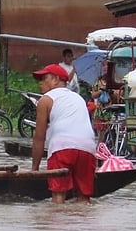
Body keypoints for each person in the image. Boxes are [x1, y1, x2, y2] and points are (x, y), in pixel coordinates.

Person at [30, 63, 97, 203]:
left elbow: (39, 138)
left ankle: (58, 222)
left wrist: (34, 169)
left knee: (58, 195)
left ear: (55, 79)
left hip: (62, 148)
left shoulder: (45, 100)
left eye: (43, 78)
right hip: (88, 148)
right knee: (84, 198)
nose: (40, 83)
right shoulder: (78, 98)